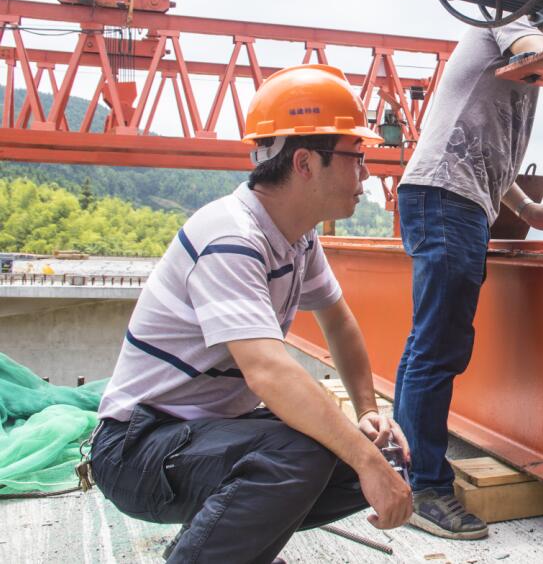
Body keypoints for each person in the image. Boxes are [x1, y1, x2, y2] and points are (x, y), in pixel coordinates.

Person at [90, 64, 413, 563]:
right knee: (307, 453)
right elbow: (267, 371)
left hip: (200, 434)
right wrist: (361, 452)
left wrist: (369, 417)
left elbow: (338, 321)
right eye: (356, 157)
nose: (367, 173)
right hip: (135, 447)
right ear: (305, 163)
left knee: (377, 460)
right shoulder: (232, 237)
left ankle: (231, 546)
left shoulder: (297, 237)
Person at [394, 21, 543, 540]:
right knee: (439, 348)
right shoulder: (510, 10)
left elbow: (493, 153)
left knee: (426, 344)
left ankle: (406, 471)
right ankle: (426, 489)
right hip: (448, 197)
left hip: (450, 195)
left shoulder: (520, 39)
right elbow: (539, 49)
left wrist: (527, 208)